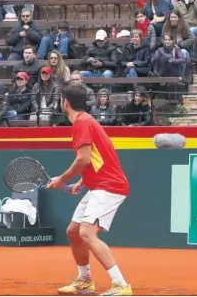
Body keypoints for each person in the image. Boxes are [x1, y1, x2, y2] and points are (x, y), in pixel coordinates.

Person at [46, 83, 133, 296]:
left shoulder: (81, 123)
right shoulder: (86, 121)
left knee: (86, 232)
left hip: (110, 186)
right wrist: (82, 182)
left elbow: (83, 159)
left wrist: (62, 179)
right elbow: (97, 157)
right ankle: (85, 281)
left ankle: (121, 284)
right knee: (73, 232)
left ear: (65, 103)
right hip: (98, 185)